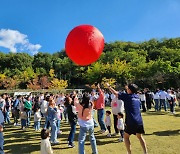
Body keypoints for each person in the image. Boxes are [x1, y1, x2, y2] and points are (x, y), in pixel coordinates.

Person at [106, 83, 148, 154]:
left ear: (130, 90)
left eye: (127, 89)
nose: (126, 89)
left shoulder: (127, 97)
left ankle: (129, 153)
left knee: (126, 137)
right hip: (139, 121)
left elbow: (115, 93)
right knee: (140, 137)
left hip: (131, 120)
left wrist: (109, 86)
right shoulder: (137, 97)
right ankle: (145, 152)